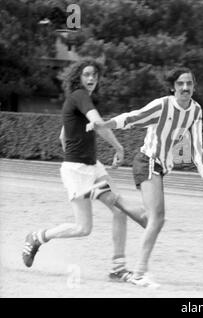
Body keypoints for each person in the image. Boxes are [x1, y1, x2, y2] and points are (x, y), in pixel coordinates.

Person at [87, 67, 203, 287]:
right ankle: (139, 273)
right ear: (172, 87)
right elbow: (133, 118)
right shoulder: (162, 105)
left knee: (152, 221)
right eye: (180, 84)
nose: (185, 88)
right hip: (147, 161)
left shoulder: (196, 110)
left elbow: (196, 145)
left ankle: (107, 195)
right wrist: (105, 124)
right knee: (157, 218)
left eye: (189, 84)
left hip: (160, 167)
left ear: (194, 87)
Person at [22, 59, 148, 282]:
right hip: (78, 170)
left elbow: (64, 135)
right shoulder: (79, 96)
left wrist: (83, 153)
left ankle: (118, 268)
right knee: (83, 227)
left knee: (118, 210)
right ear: (78, 77)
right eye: (87, 74)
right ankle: (38, 237)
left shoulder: (81, 101)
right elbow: (97, 123)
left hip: (92, 166)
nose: (91, 79)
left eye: (95, 76)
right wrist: (114, 147)